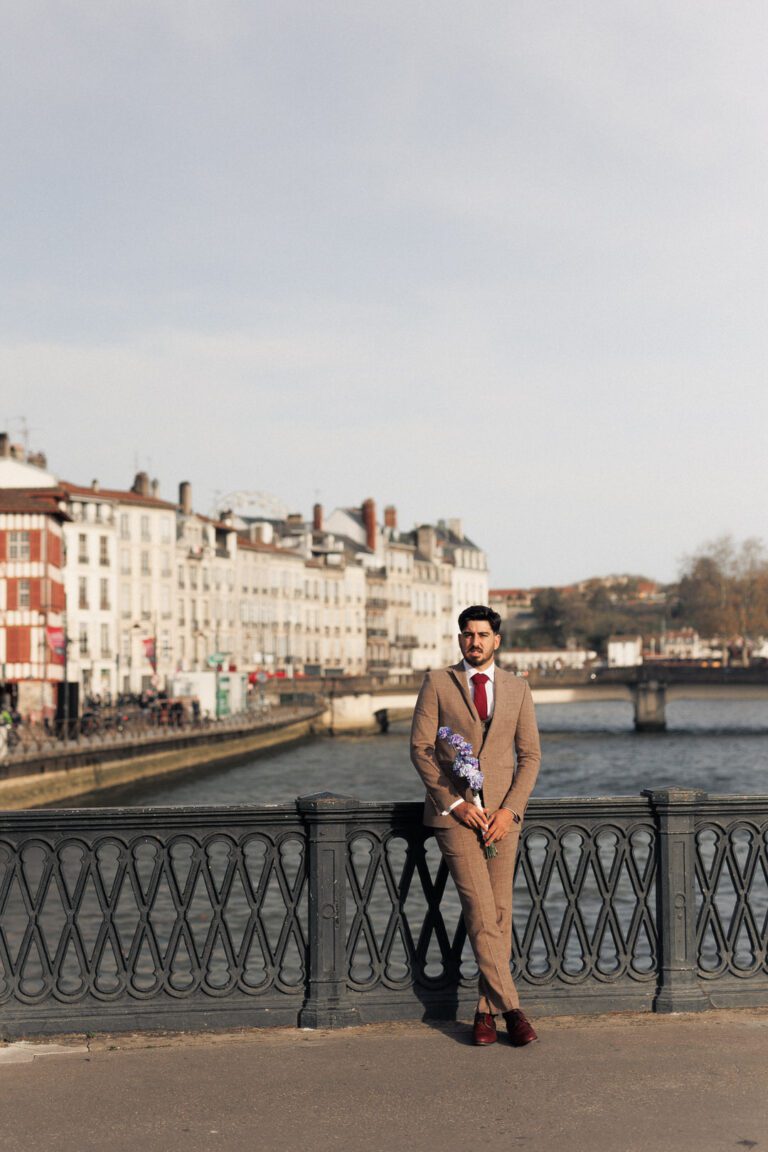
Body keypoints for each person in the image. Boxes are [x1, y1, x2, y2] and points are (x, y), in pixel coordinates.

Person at [410, 604, 541, 1047]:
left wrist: (510, 811)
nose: (475, 642)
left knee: (500, 913)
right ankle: (514, 1010)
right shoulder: (438, 682)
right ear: (460, 638)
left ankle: (484, 1015)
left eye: (483, 634)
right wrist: (453, 805)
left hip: (503, 819)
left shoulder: (517, 689)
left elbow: (530, 757)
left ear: (496, 640)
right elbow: (421, 749)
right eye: (468, 634)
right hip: (456, 818)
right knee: (481, 910)